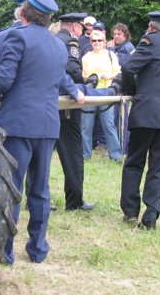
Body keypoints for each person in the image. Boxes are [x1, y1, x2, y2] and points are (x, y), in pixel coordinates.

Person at [0, 0, 85, 265]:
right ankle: (38, 250)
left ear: (24, 13)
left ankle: (7, 251)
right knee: (40, 189)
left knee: (13, 189)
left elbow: (5, 78)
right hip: (49, 125)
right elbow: (60, 76)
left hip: (18, 123)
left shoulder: (16, 36)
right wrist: (75, 91)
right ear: (47, 18)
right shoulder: (58, 45)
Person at [120, 11, 160, 230]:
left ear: (151, 27)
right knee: (159, 168)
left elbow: (128, 67)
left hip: (147, 113)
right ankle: (151, 214)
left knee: (134, 162)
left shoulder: (149, 41)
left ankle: (130, 211)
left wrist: (131, 91)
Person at [55, 12, 95, 211]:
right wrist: (85, 83)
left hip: (51, 102)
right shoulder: (71, 42)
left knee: (41, 155)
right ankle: (74, 200)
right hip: (67, 103)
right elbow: (72, 70)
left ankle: (36, 197)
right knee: (72, 152)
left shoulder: (52, 39)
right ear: (75, 28)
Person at [81, 30, 123, 162]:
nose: (97, 43)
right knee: (86, 126)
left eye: (100, 40)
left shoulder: (111, 55)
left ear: (105, 41)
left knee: (108, 124)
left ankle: (116, 156)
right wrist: (92, 78)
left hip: (106, 94)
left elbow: (118, 73)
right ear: (91, 42)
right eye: (94, 40)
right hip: (90, 94)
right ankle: (85, 155)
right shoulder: (86, 57)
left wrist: (109, 76)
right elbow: (82, 75)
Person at [107, 23, 135, 154]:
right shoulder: (120, 47)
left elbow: (121, 65)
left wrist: (111, 50)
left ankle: (124, 148)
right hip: (118, 86)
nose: (116, 36)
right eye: (114, 34)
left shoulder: (127, 48)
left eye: (119, 34)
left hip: (123, 88)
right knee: (115, 118)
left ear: (125, 35)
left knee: (122, 120)